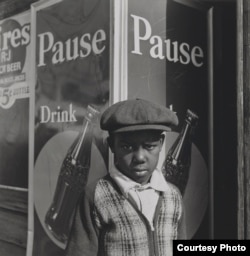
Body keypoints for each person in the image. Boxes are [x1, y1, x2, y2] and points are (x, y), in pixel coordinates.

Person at [65, 98, 186, 256]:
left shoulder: (173, 196)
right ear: (112, 146)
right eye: (127, 147)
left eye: (149, 146)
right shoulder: (95, 196)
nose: (140, 157)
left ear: (161, 143)